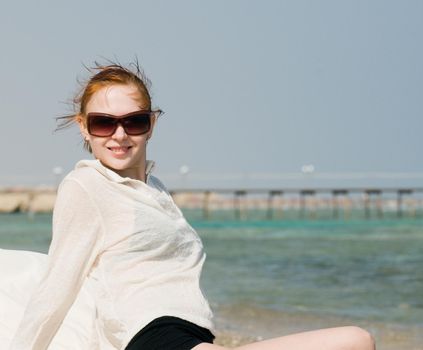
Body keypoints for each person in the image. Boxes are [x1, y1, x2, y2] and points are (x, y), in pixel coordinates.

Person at [7, 61, 375, 350]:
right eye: (103, 123)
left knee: (357, 341)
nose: (119, 134)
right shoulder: (86, 186)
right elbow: (57, 286)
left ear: (150, 124)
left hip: (194, 338)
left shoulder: (155, 190)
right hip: (152, 338)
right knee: (353, 341)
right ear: (84, 128)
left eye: (133, 121)